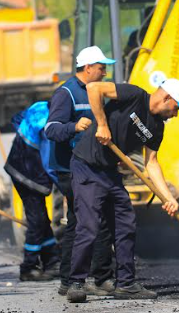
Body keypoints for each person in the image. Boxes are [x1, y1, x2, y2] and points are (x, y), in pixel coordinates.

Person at [65, 78, 179, 303]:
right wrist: (101, 124)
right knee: (89, 225)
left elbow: (151, 163)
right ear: (166, 97)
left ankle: (126, 283)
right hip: (87, 166)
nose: (176, 114)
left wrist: (168, 197)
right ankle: (76, 282)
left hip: (111, 172)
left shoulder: (157, 128)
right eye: (176, 108)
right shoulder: (134, 95)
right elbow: (94, 88)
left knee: (126, 223)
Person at [44, 46, 116, 297]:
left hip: (94, 165)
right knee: (82, 221)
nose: (105, 72)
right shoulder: (66, 93)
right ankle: (71, 279)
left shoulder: (99, 92)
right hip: (70, 168)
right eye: (101, 67)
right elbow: (51, 129)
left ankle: (100, 276)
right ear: (88, 69)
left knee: (102, 219)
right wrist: (74, 126)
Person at [5, 102, 60, 281]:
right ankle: (28, 267)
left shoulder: (39, 106)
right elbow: (49, 163)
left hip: (15, 165)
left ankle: (51, 261)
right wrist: (65, 186)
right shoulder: (48, 126)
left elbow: (16, 119)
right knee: (36, 220)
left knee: (42, 218)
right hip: (29, 174)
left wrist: (25, 140)